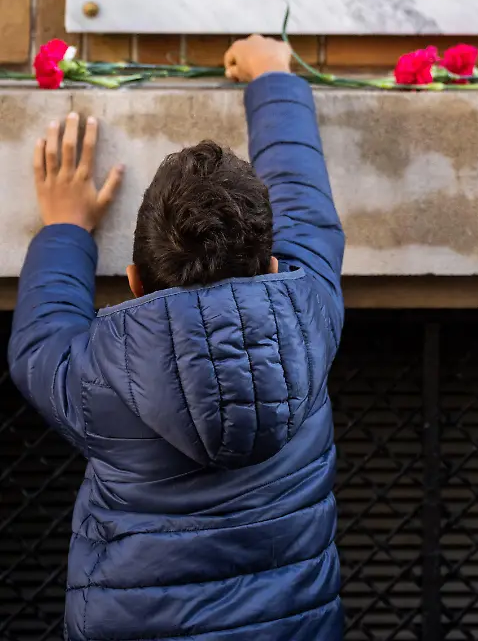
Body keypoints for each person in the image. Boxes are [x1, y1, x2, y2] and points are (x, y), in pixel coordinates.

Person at [8, 36, 345, 641]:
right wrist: (274, 77)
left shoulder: (98, 377)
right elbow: (304, 205)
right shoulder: (310, 313)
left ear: (134, 282)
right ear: (274, 268)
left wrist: (65, 227)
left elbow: (38, 338)